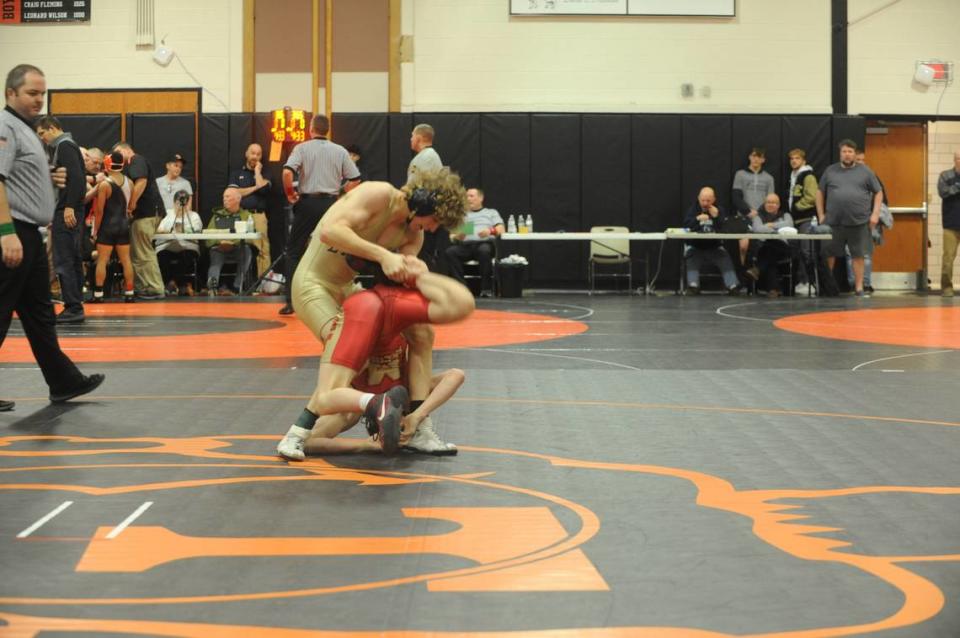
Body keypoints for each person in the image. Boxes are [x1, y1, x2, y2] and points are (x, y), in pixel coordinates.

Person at [275, 169, 468, 459]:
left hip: (346, 287)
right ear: (424, 203)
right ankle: (299, 433)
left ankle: (418, 425)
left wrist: (416, 272)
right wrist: (383, 255)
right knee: (349, 348)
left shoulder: (411, 235)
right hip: (313, 283)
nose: (431, 229)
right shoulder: (379, 194)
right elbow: (330, 231)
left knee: (422, 331)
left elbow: (402, 279)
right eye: (435, 220)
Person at [0, 63, 104, 411]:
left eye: (42, 93)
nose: (39, 100)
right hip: (13, 231)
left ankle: (63, 380)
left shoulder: (27, 130)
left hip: (28, 231)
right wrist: (6, 232)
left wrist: (46, 176)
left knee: (40, 313)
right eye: (31, 93)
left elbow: (15, 174)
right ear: (10, 93)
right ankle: (63, 379)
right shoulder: (5, 126)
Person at [283, 268, 474, 458]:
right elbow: (309, 441)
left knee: (329, 393)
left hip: (353, 309)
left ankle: (419, 430)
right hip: (354, 314)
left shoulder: (354, 409)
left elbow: (455, 375)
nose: (400, 423)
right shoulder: (352, 410)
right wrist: (364, 444)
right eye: (400, 424)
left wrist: (416, 417)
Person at [278, 115, 360, 315]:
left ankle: (291, 302)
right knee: (336, 249)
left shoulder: (302, 148)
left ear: (311, 129)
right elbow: (356, 179)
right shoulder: (340, 151)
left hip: (308, 203)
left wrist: (290, 194)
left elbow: (287, 173)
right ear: (328, 131)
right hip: (330, 205)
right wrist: (340, 194)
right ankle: (340, 300)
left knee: (294, 252)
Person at [35, 115, 86, 323]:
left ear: (53, 128)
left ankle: (73, 306)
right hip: (66, 208)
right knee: (71, 258)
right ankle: (75, 304)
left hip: (67, 209)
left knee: (64, 259)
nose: (41, 138)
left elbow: (76, 178)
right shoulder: (64, 147)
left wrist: (69, 207)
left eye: (42, 133)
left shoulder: (65, 146)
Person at [816, 139, 883, 298]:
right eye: (844, 151)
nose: (847, 154)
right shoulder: (830, 171)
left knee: (858, 256)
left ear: (855, 154)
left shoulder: (866, 171)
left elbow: (878, 192)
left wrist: (875, 214)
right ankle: (828, 288)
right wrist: (821, 215)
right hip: (833, 222)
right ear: (840, 154)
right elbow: (820, 192)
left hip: (859, 222)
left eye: (850, 152)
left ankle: (859, 288)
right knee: (829, 255)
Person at [113, 142, 165, 299]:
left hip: (145, 214)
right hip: (145, 214)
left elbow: (141, 181)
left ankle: (154, 288)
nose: (117, 158)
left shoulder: (136, 160)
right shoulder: (132, 164)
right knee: (138, 252)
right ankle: (143, 286)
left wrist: (131, 204)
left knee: (143, 252)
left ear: (126, 150)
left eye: (118, 154)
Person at [90, 151, 135, 303]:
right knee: (126, 260)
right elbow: (131, 206)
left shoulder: (104, 184)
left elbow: (99, 211)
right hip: (123, 226)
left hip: (108, 226)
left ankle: (98, 295)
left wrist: (96, 230)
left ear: (107, 164)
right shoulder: (130, 182)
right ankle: (129, 293)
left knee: (102, 260)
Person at [445, 187, 504, 297]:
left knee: (484, 251)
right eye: (466, 196)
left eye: (471, 196)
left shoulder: (490, 213)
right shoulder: (463, 214)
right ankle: (462, 288)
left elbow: (501, 229)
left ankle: (486, 289)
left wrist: (490, 231)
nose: (468, 199)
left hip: (484, 244)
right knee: (450, 252)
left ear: (481, 198)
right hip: (466, 245)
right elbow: (451, 236)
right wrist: (458, 236)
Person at [682, 187, 740, 295]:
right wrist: (697, 219)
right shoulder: (693, 209)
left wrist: (717, 217)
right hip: (696, 247)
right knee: (691, 257)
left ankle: (732, 285)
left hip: (715, 247)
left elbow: (727, 229)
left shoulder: (719, 209)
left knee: (724, 258)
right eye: (703, 200)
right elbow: (686, 226)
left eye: (708, 201)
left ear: (713, 199)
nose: (705, 203)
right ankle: (693, 285)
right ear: (698, 198)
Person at [229, 143, 272, 277]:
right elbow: (233, 192)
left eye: (258, 154)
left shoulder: (266, 173)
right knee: (242, 248)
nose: (255, 156)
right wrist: (254, 188)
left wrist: (257, 172)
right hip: (241, 215)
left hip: (258, 215)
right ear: (246, 154)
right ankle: (240, 284)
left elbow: (263, 188)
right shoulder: (237, 174)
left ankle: (263, 284)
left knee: (263, 250)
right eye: (253, 153)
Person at [409, 123, 447, 273]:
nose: (410, 139)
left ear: (419, 138)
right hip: (424, 213)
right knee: (424, 255)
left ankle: (426, 291)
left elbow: (416, 188)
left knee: (424, 256)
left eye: (412, 136)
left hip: (425, 215)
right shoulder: (427, 156)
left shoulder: (427, 158)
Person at [205, 187, 254, 296]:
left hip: (237, 248)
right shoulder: (216, 216)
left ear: (238, 199)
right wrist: (221, 242)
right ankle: (212, 287)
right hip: (219, 248)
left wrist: (232, 243)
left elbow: (250, 237)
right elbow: (208, 238)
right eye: (224, 197)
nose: (224, 199)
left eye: (227, 197)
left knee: (247, 251)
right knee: (215, 262)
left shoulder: (246, 216)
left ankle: (236, 287)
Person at [744, 193, 795, 298]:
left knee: (769, 247)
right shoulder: (759, 216)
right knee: (770, 254)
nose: (770, 205)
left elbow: (789, 224)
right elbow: (757, 229)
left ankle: (757, 269)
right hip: (765, 247)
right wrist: (776, 231)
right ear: (764, 203)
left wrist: (771, 225)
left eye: (773, 203)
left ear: (778, 205)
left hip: (782, 248)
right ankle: (773, 289)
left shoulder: (785, 215)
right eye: (768, 202)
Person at [732, 148, 775, 267]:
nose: (756, 159)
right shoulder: (740, 174)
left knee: (762, 247)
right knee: (743, 246)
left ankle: (757, 277)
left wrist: (759, 213)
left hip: (761, 217)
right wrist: (747, 211)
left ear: (763, 160)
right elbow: (736, 196)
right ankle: (742, 275)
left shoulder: (769, 178)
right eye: (753, 156)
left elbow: (771, 200)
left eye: (759, 157)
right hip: (744, 216)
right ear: (749, 157)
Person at [155, 189, 202, 296]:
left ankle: (174, 284)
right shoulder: (167, 214)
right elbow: (159, 228)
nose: (181, 206)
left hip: (187, 246)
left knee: (185, 257)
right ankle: (174, 284)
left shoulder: (194, 216)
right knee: (162, 256)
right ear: (174, 202)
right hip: (167, 246)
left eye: (184, 203)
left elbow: (197, 230)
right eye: (178, 203)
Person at [786, 148, 819, 292]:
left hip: (806, 218)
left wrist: (797, 207)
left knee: (807, 251)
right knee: (798, 252)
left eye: (797, 158)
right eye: (792, 158)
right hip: (796, 220)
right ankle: (803, 282)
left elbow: (812, 197)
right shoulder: (793, 175)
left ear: (804, 161)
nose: (794, 161)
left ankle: (812, 283)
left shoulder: (808, 176)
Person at [937, 150, 960, 298]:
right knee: (948, 259)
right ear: (954, 160)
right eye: (959, 158)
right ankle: (946, 288)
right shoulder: (945, 175)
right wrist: (958, 186)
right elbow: (943, 192)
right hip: (951, 224)